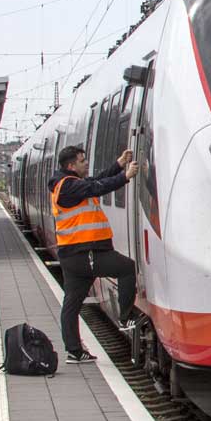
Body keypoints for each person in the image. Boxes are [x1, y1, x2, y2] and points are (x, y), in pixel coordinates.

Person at [50, 145, 141, 364]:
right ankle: (125, 317)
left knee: (72, 304)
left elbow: (95, 181)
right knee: (126, 268)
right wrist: (124, 177)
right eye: (82, 161)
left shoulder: (69, 184)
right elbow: (96, 187)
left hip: (73, 255)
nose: (86, 164)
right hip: (86, 253)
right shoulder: (68, 186)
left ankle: (74, 351)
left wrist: (118, 165)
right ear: (71, 165)